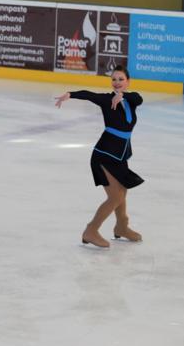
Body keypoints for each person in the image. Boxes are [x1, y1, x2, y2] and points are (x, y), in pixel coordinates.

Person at [54, 65, 144, 248]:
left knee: (122, 192)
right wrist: (70, 94)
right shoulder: (106, 100)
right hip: (104, 154)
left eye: (120, 79)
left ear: (128, 82)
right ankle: (91, 230)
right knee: (115, 197)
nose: (117, 83)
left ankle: (121, 227)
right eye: (114, 79)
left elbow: (139, 98)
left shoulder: (131, 100)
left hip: (121, 155)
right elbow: (89, 94)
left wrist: (123, 96)